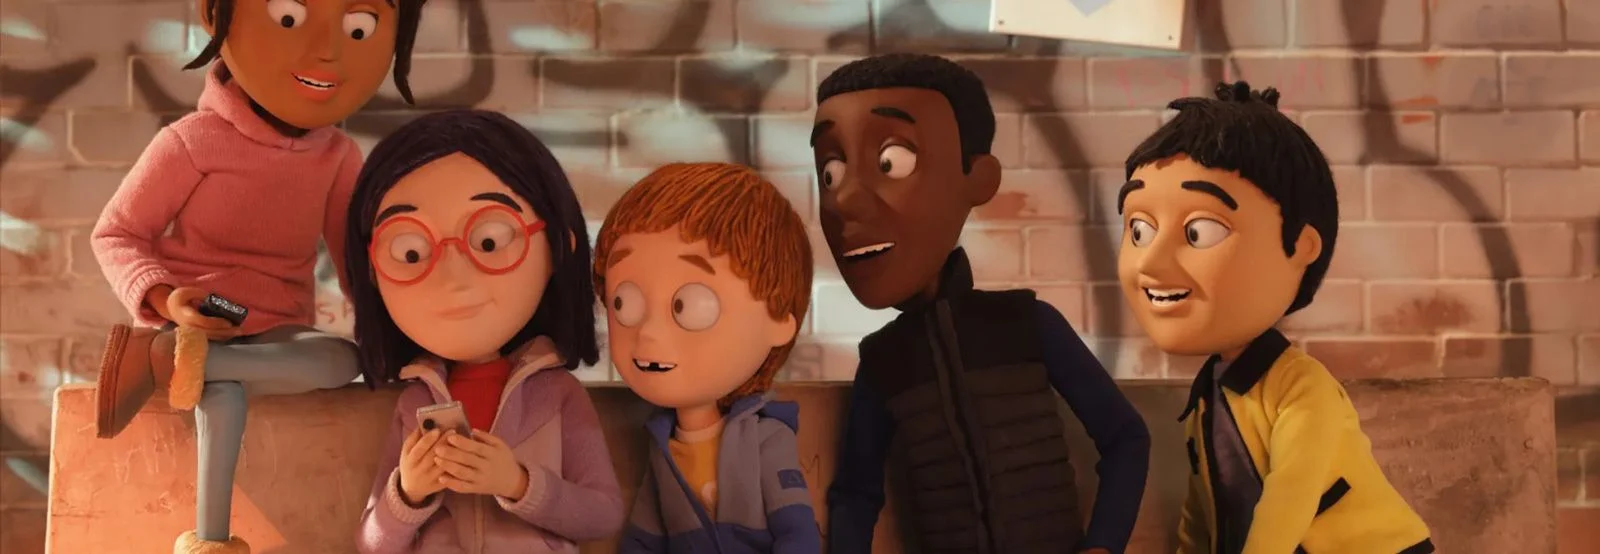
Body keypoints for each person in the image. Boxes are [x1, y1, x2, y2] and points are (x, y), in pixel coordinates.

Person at [89, 0, 424, 550]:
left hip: (274, 329)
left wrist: (396, 337)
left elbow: (354, 265)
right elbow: (117, 233)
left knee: (342, 361)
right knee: (224, 395)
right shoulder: (193, 140)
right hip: (202, 316)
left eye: (359, 28)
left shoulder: (338, 157)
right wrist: (166, 297)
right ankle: (211, 541)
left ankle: (173, 364)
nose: (327, 51)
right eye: (289, 18)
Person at [813, 53, 1151, 554]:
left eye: (891, 162)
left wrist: (1103, 545)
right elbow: (855, 496)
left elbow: (1126, 438)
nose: (845, 200)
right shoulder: (884, 362)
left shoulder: (1027, 323)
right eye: (830, 173)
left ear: (979, 177)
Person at [1116, 81, 1434, 554]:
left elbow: (1290, 500)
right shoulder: (1208, 397)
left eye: (1199, 231)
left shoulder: (1302, 389)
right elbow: (1202, 511)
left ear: (1300, 247)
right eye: (1140, 230)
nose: (1151, 262)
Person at [346, 109, 624, 553]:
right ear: (372, 272)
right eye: (411, 252)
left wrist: (518, 484)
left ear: (558, 247)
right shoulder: (414, 403)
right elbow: (371, 543)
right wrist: (408, 494)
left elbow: (603, 514)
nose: (453, 278)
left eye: (489, 241)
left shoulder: (558, 395)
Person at [595, 162, 821, 553]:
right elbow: (643, 539)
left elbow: (796, 531)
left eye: (688, 306)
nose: (649, 332)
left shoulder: (767, 437)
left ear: (779, 321)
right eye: (623, 303)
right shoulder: (662, 446)